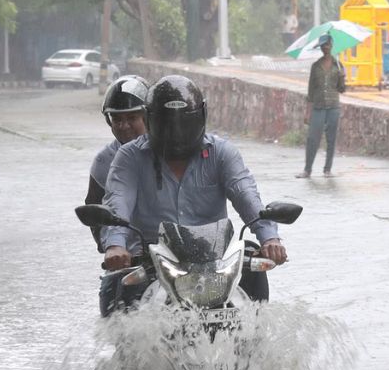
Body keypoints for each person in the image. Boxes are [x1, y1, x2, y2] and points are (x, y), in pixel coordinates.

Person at [101, 75, 287, 313]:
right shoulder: (129, 157)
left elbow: (246, 195)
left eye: (184, 124)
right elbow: (118, 202)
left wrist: (270, 239)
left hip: (214, 261)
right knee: (115, 293)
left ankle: (256, 333)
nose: (176, 133)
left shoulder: (222, 153)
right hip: (152, 260)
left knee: (253, 269)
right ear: (150, 120)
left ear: (202, 117)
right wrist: (115, 246)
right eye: (167, 125)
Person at [89, 75, 149, 316]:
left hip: (176, 252)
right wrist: (111, 248)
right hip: (131, 260)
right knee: (112, 304)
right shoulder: (104, 161)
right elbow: (94, 207)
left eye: (132, 118)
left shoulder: (169, 151)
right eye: (117, 119)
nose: (124, 126)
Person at [298, 33, 345, 178]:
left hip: (333, 107)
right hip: (318, 107)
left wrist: (342, 78)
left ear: (331, 45)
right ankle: (307, 170)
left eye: (327, 45)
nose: (325, 48)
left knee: (331, 139)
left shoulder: (338, 66)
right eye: (323, 46)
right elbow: (310, 91)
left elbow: (341, 89)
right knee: (312, 138)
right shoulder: (316, 66)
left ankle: (327, 170)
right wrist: (308, 112)